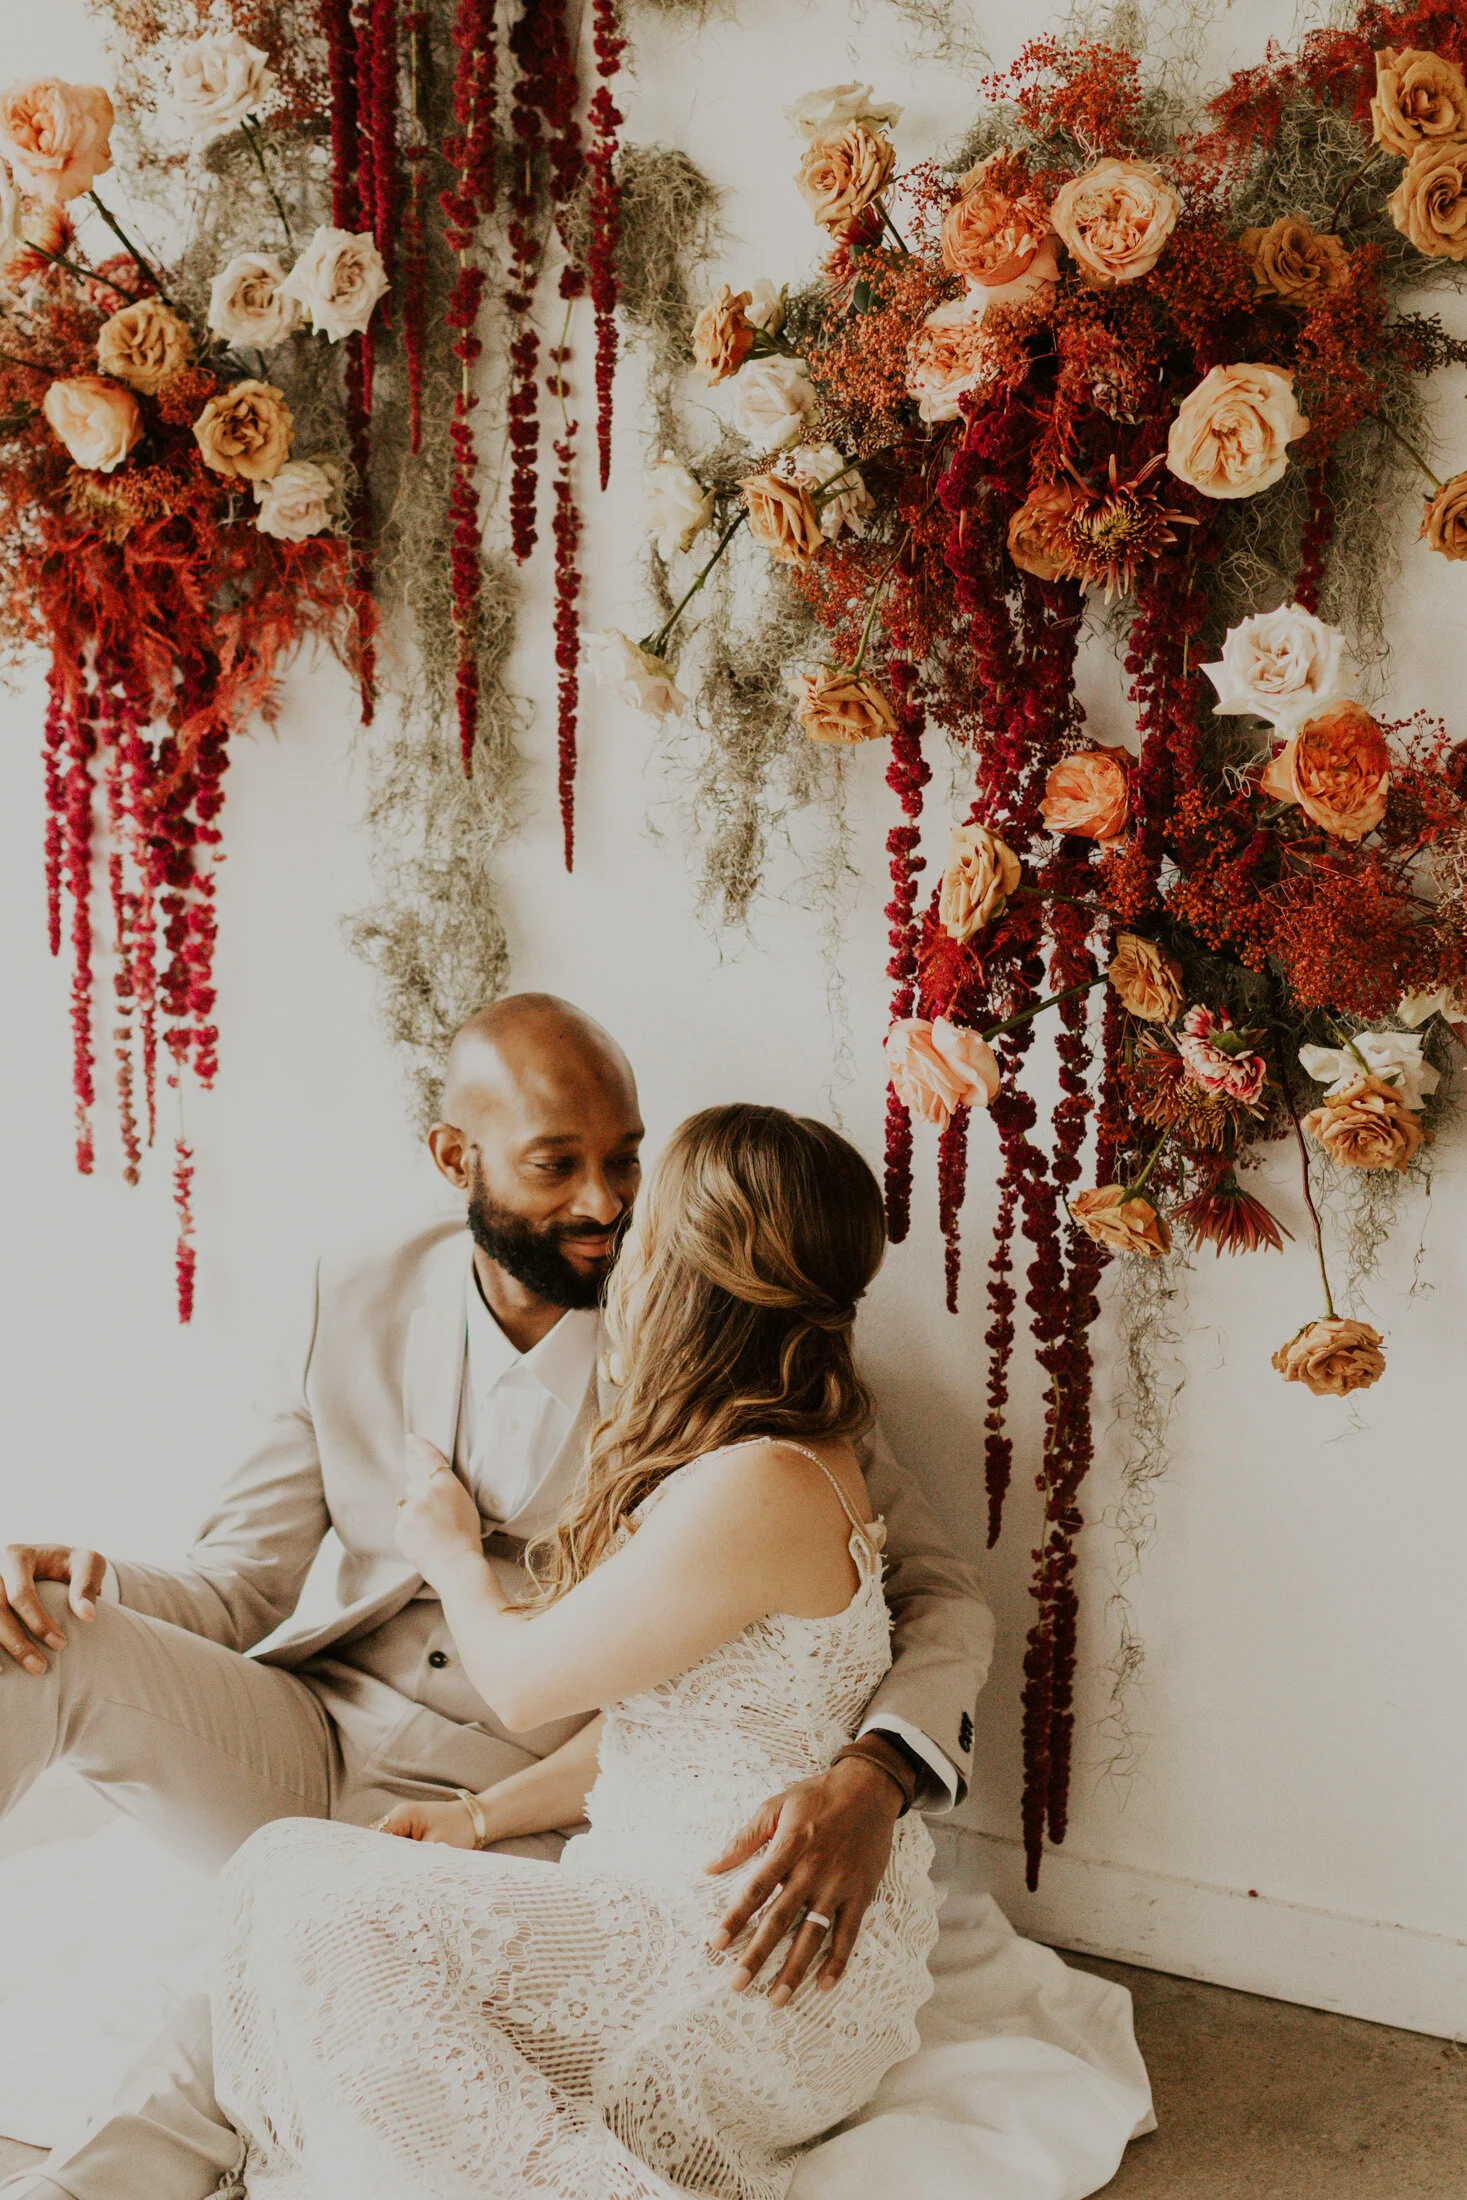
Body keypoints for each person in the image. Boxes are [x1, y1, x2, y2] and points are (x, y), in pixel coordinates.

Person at [0, 996, 992, 2200]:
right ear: (454, 1158)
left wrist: (877, 1772)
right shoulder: (353, 1293)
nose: (607, 1205)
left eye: (627, 1159)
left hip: (534, 1792)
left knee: (292, 1964)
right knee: (26, 1637)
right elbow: (238, 1586)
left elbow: (934, 1593)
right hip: (318, 1728)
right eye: (556, 1164)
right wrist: (82, 1576)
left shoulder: (749, 1364)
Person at [192, 1101, 947, 2196]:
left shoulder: (761, 1485)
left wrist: (450, 1550)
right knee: (298, 1882)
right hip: (728, 1910)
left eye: (654, 1223)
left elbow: (520, 1680)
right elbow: (686, 1726)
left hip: (755, 1961)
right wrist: (479, 1818)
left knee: (319, 1899)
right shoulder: (769, 1454)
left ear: (693, 1266)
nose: (627, 1242)